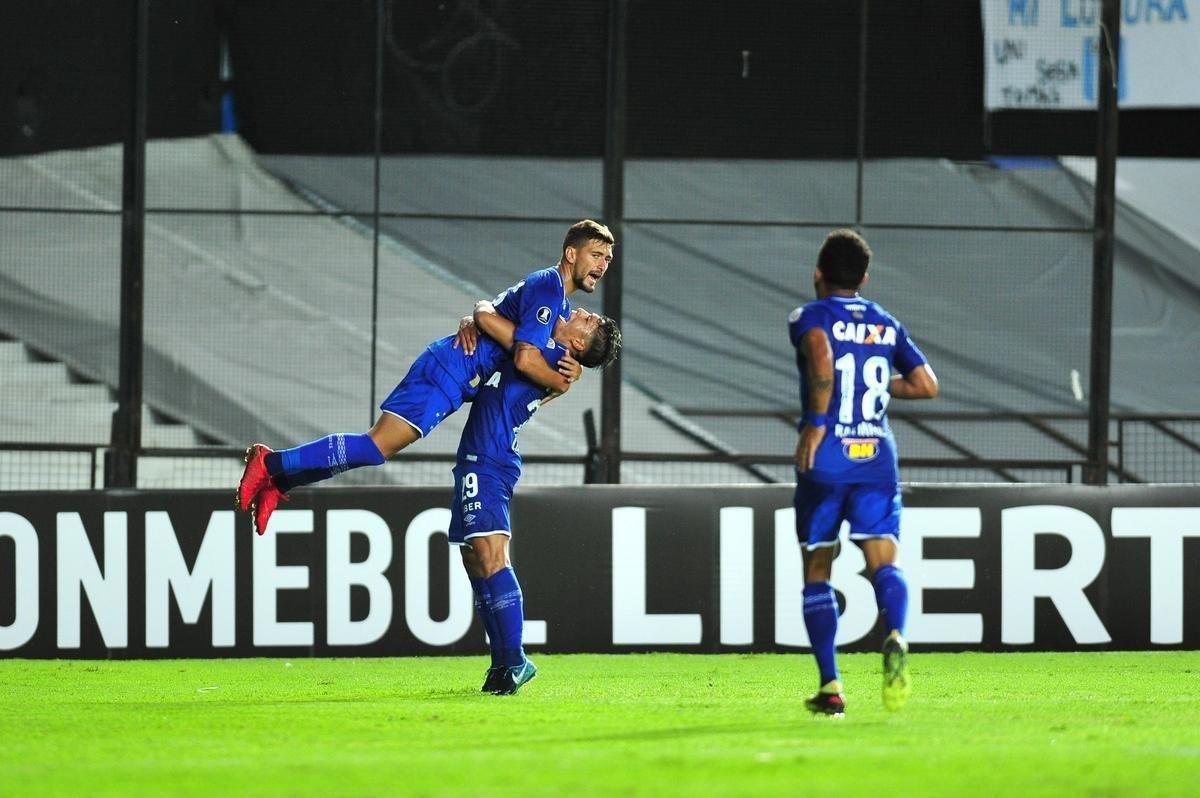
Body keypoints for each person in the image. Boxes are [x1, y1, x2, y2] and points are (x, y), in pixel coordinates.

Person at [237, 219, 616, 535]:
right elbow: (523, 357)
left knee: (375, 451)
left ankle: (281, 482)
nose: (602, 264)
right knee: (374, 447)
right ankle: (270, 464)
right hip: (449, 368)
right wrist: (559, 376)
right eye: (596, 254)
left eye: (608, 259)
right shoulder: (550, 287)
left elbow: (498, 318)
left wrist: (561, 374)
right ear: (571, 253)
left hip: (457, 379)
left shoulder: (558, 303)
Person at [787, 229, 938, 717]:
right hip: (875, 455)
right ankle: (895, 632)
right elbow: (926, 384)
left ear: (818, 273)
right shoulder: (885, 323)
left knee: (817, 569)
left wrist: (815, 422)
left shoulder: (809, 316)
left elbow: (820, 353)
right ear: (865, 277)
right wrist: (870, 384)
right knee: (883, 562)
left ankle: (831, 686)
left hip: (827, 458)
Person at [451, 300, 621, 695]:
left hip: (490, 459)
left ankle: (515, 661)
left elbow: (487, 318)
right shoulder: (551, 359)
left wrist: (476, 312)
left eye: (588, 319)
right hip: (479, 458)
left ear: (578, 343)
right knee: (473, 558)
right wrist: (563, 382)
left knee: (492, 556)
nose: (581, 310)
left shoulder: (544, 353)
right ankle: (501, 663)